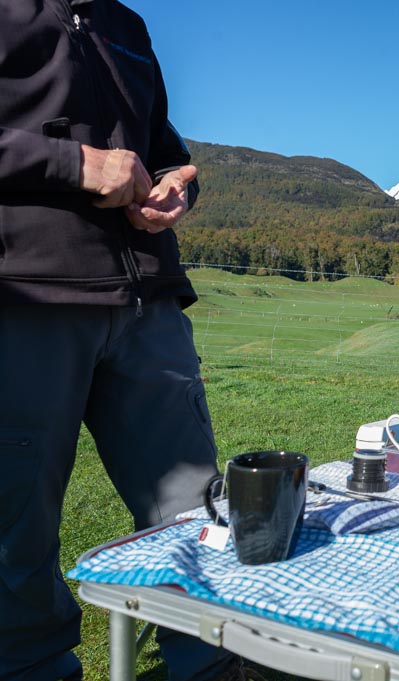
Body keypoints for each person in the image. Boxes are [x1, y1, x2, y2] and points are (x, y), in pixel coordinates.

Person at [0, 2, 245, 679]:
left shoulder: (125, 25)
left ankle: (206, 664)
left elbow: (166, 152)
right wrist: (73, 164)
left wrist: (178, 187)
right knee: (15, 535)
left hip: (148, 303)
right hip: (24, 299)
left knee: (197, 513)